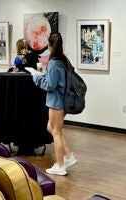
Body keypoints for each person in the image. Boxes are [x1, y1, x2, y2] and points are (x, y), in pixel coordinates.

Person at [32, 32, 77, 176]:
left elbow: (50, 85)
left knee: (56, 132)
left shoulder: (53, 62)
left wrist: (37, 78)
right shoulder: (63, 60)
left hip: (56, 101)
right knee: (50, 127)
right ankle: (68, 156)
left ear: (50, 45)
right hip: (62, 101)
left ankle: (60, 165)